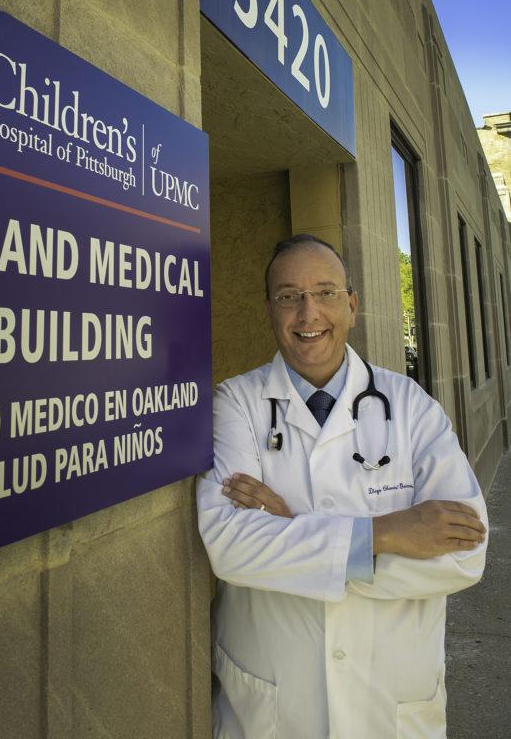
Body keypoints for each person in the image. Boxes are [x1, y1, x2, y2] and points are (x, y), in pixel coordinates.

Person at [196, 234, 487, 739]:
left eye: (325, 292)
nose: (308, 314)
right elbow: (230, 547)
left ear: (352, 304)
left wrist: (293, 535)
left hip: (391, 707)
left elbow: (465, 555)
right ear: (270, 310)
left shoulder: (412, 407)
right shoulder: (235, 403)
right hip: (273, 709)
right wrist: (390, 533)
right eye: (289, 296)